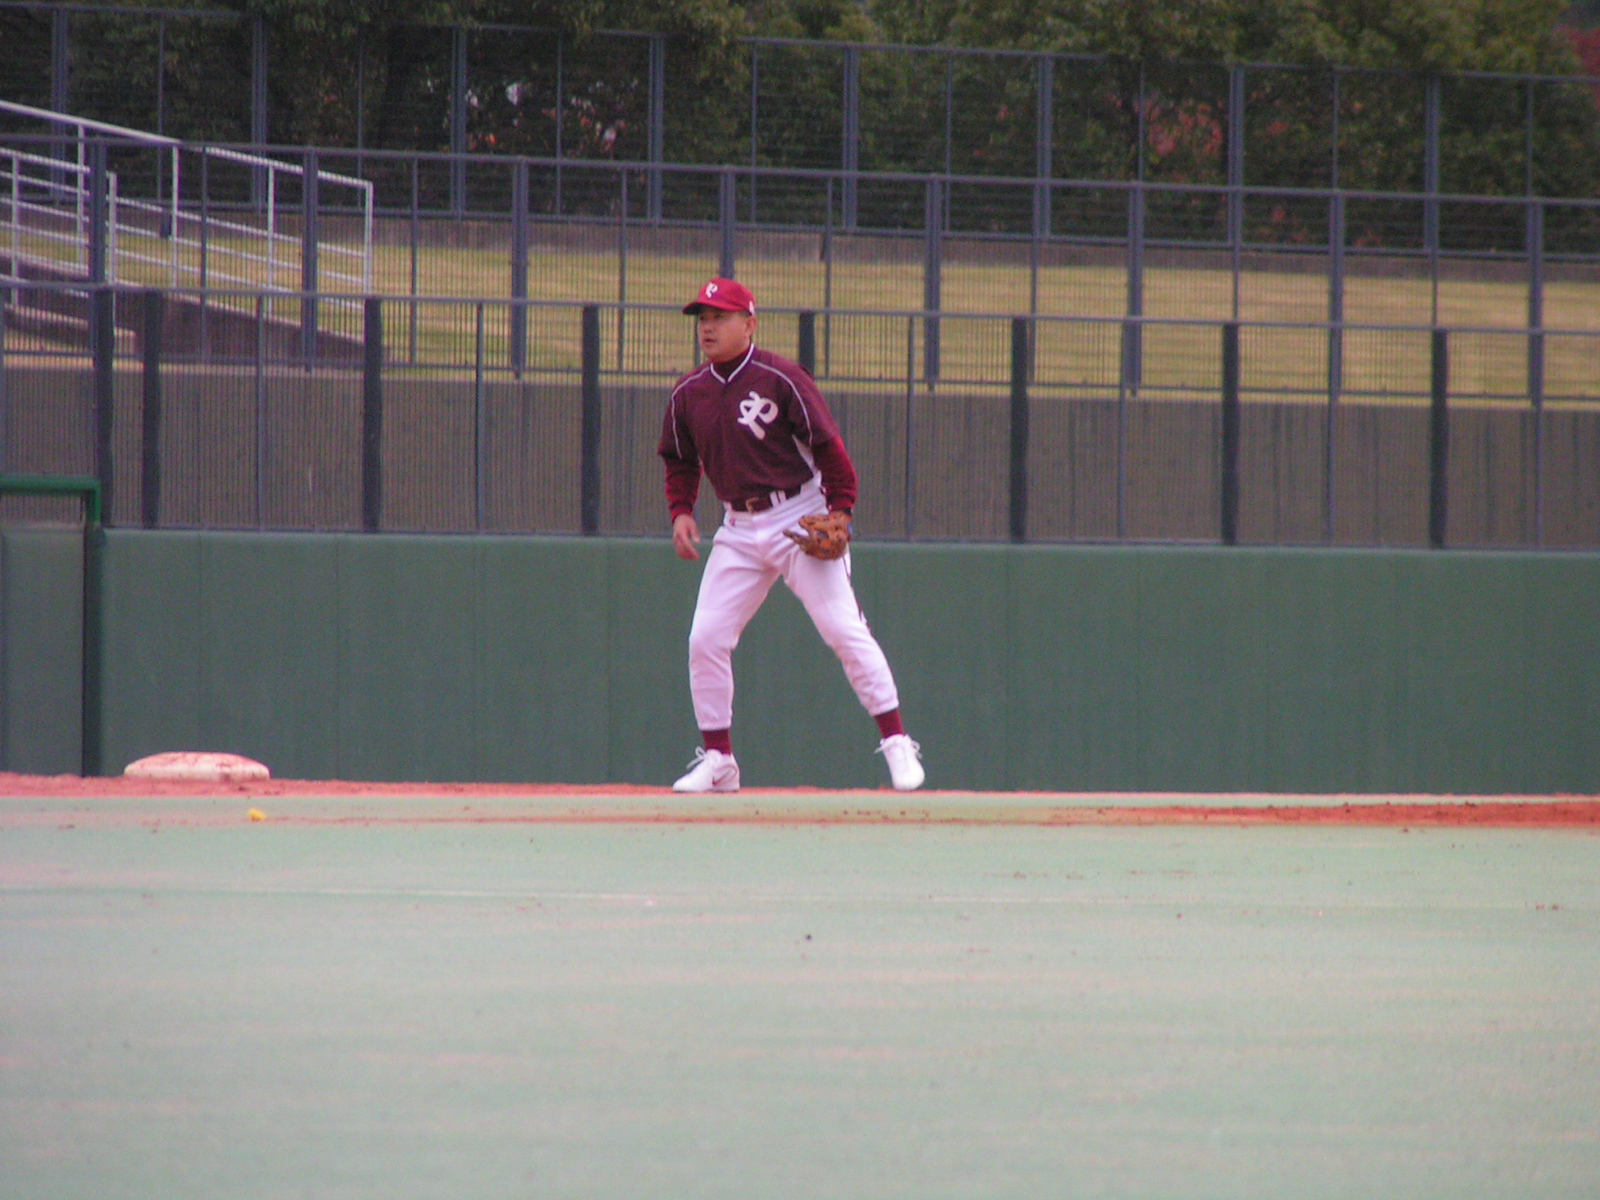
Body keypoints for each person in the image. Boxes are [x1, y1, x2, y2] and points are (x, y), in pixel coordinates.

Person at [659, 277, 924, 793]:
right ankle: (719, 761)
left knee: (843, 629)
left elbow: (829, 449)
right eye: (703, 318)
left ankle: (897, 742)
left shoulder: (781, 378)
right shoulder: (688, 393)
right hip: (738, 526)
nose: (708, 327)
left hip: (800, 516)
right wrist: (681, 511)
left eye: (720, 317)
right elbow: (679, 459)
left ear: (749, 324)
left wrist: (841, 511)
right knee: (705, 638)